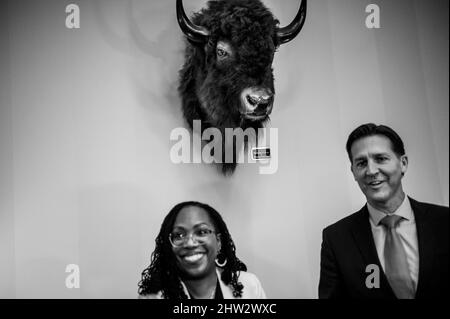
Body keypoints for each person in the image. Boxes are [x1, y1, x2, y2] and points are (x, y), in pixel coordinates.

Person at [319, 123, 449, 299]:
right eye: (361, 163)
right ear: (353, 172)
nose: (371, 171)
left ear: (403, 163)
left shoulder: (444, 221)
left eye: (380, 159)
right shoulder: (335, 239)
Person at [138, 201, 266, 299]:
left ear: (218, 242)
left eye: (201, 232)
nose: (190, 243)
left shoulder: (249, 285)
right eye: (179, 235)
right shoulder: (155, 297)